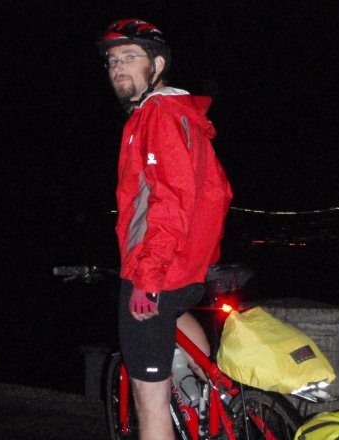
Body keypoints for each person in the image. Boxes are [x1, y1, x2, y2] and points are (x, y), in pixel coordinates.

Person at [99, 18, 233, 439]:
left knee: (149, 402)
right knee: (176, 317)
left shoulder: (156, 115)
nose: (117, 67)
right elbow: (215, 194)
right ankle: (215, 397)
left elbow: (169, 200)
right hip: (187, 272)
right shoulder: (180, 115)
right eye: (112, 60)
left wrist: (148, 278)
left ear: (156, 65)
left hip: (157, 273)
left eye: (129, 58)